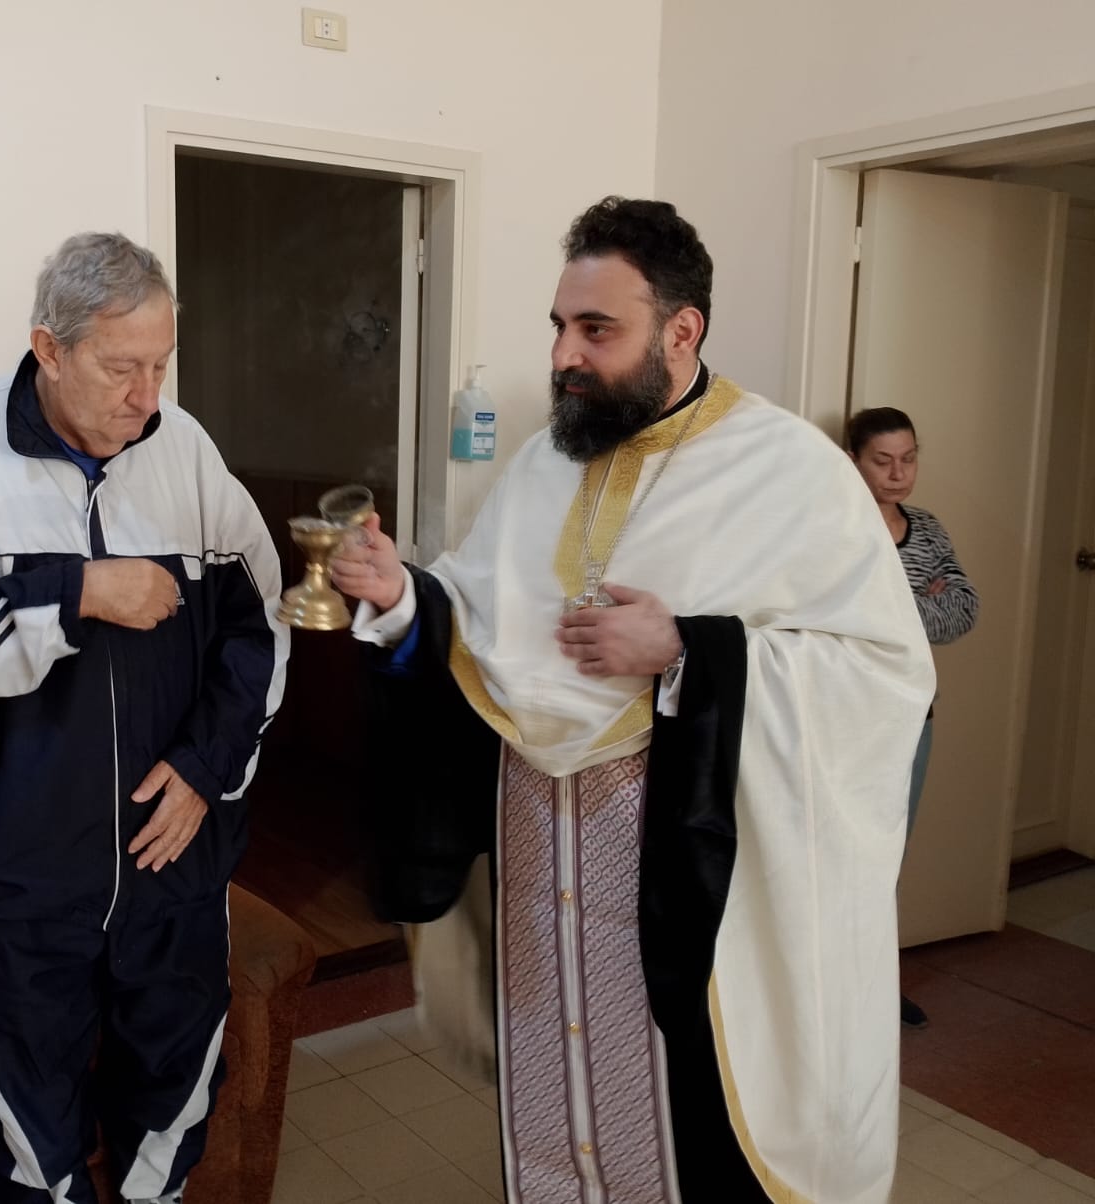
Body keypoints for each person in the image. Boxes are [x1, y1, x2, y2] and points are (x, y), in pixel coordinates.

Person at [331, 197, 935, 1203]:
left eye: (596, 329)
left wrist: (688, 649)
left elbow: (883, 673)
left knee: (689, 1116)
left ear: (681, 330)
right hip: (540, 866)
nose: (563, 355)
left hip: (689, 878)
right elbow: (478, 618)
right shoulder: (544, 461)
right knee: (557, 1098)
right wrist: (400, 595)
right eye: (559, 326)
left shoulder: (791, 470)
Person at [0, 232, 287, 1204]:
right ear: (48, 349)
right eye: (120, 367)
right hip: (12, 879)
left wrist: (205, 767)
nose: (146, 397)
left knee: (175, 1096)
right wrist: (78, 593)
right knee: (32, 1134)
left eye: (161, 366)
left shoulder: (184, 450)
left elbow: (257, 625)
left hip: (172, 862)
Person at [847, 405, 980, 1029]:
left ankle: (875, 989)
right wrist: (915, 600)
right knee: (839, 851)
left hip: (912, 715)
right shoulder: (837, 523)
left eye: (909, 458)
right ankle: (831, 995)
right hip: (846, 714)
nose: (898, 473)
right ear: (853, 459)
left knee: (889, 854)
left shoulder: (925, 529)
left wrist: (889, 608)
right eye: (883, 460)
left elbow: (962, 612)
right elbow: (838, 617)